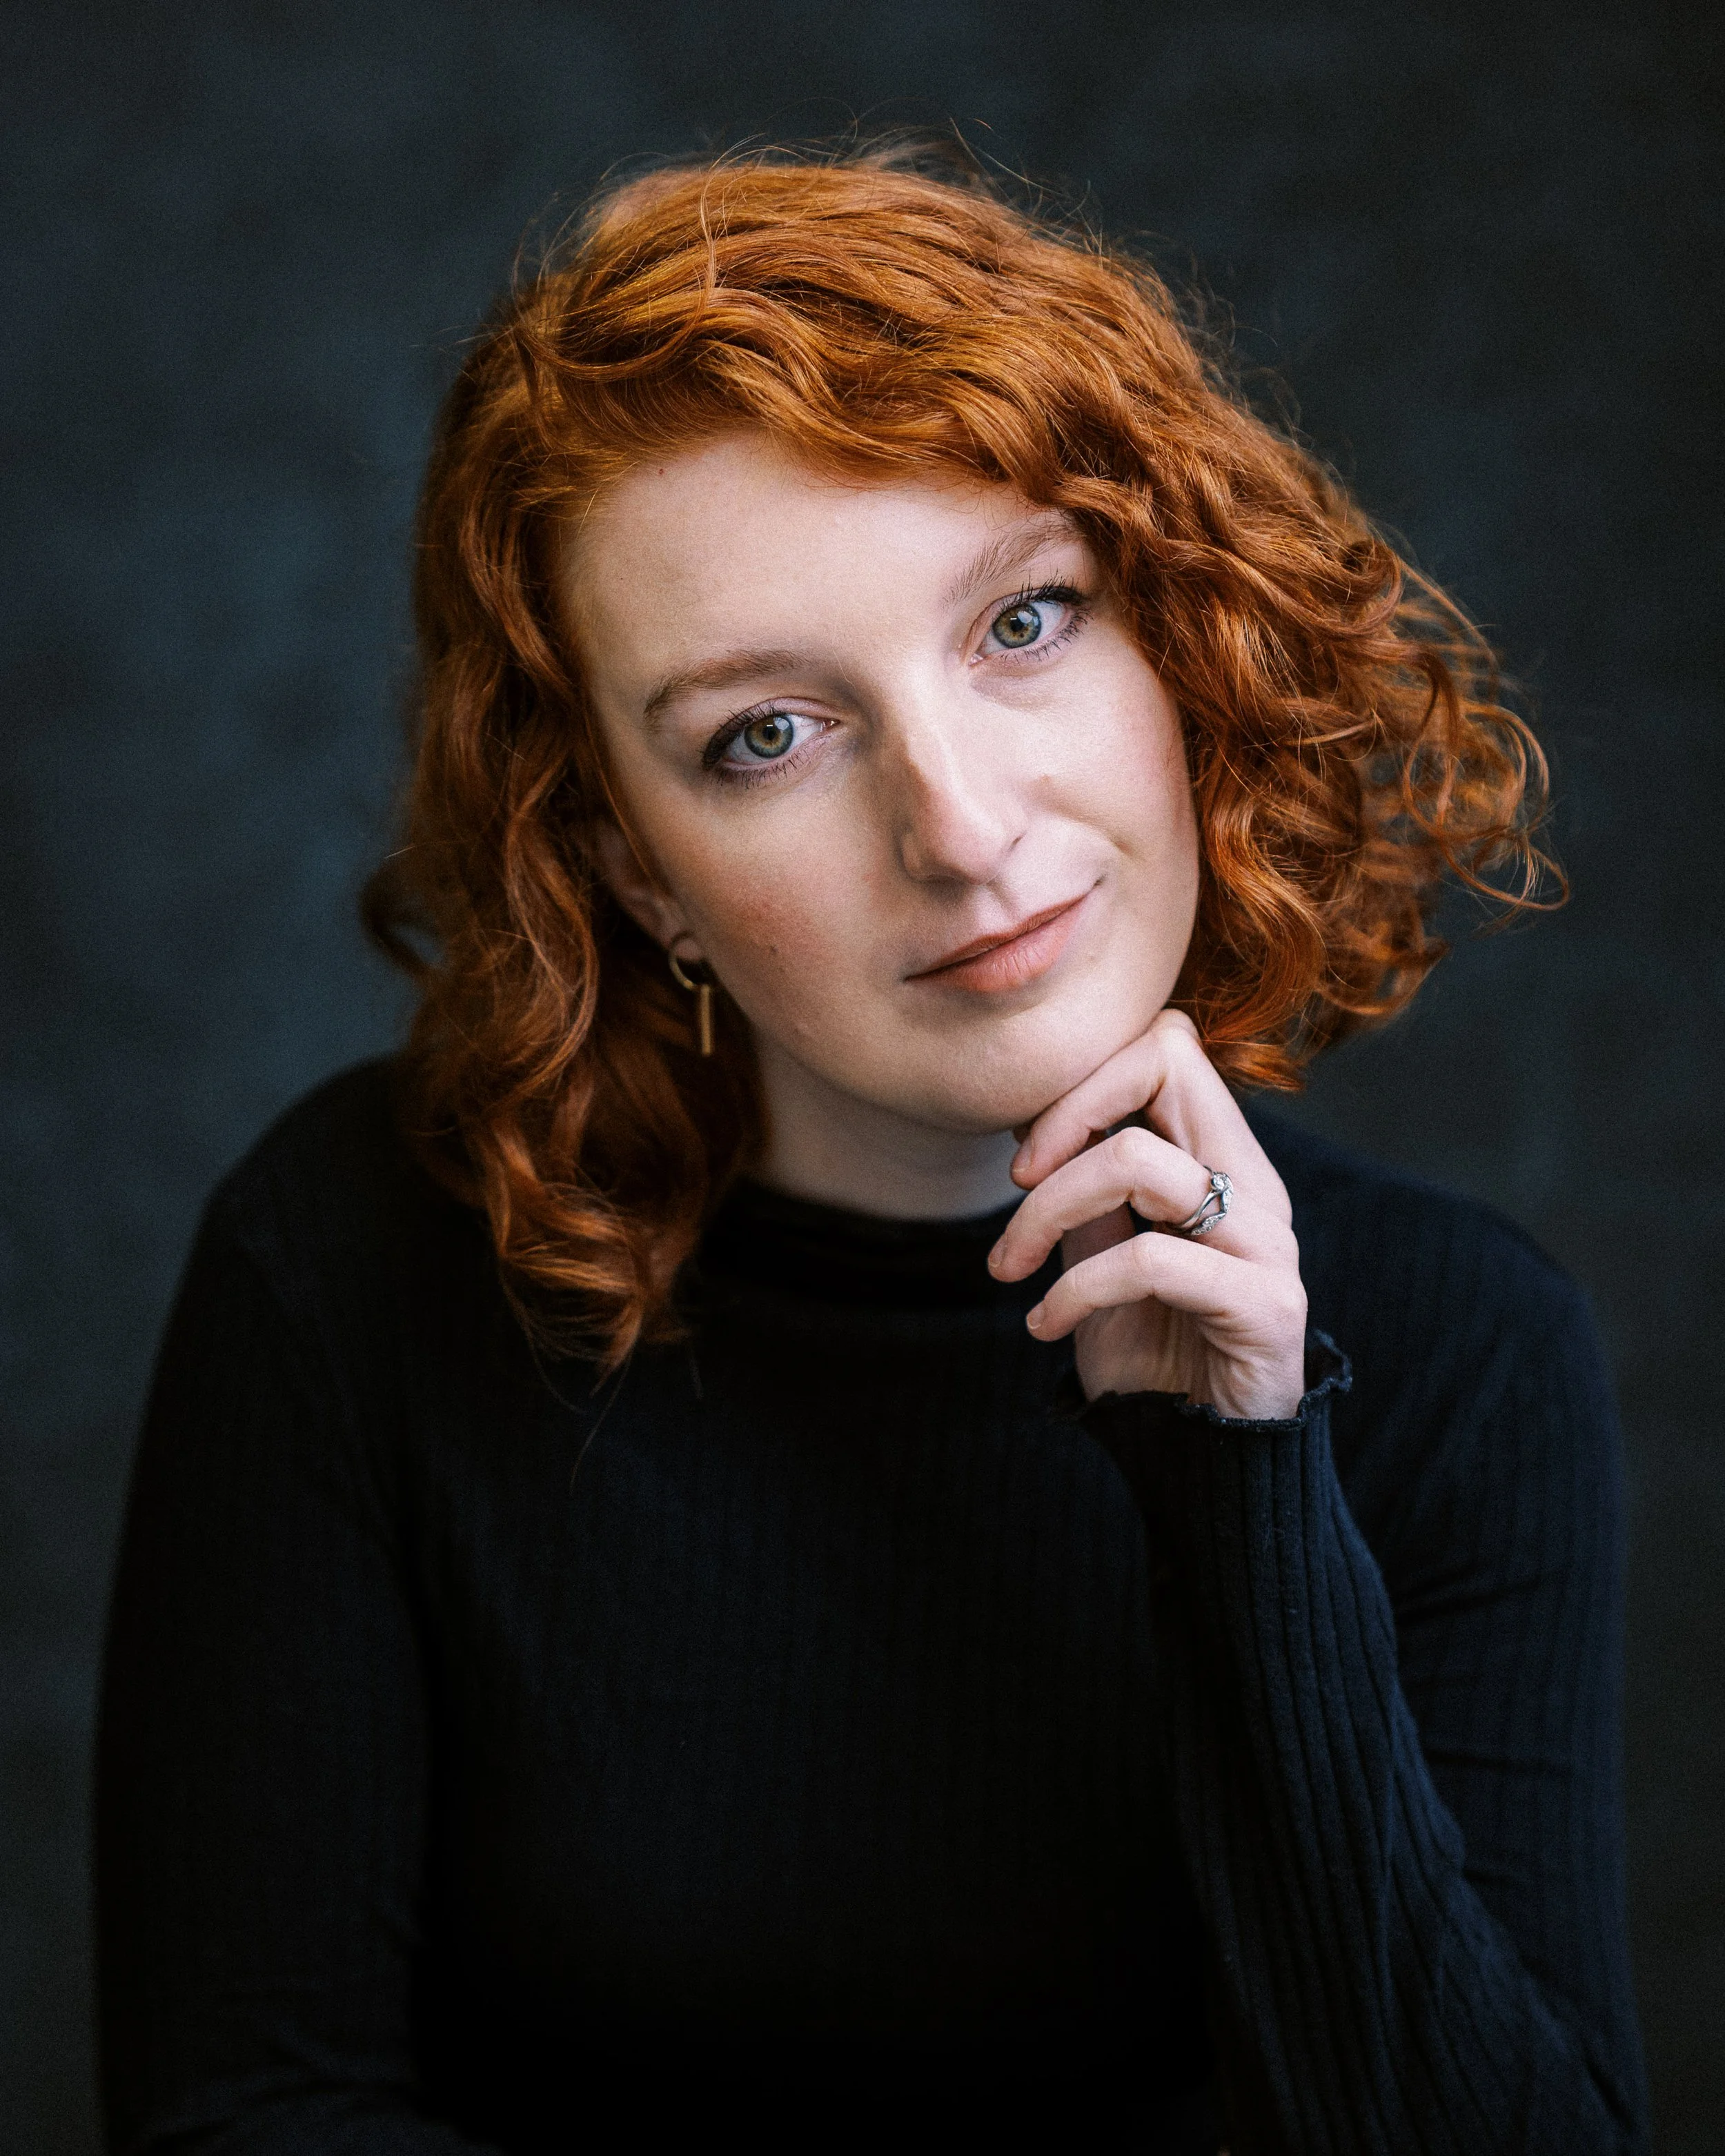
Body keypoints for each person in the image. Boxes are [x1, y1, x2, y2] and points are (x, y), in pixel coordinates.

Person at [95, 147, 1646, 2155]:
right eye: (766, 733)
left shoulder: (1462, 1348)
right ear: (636, 873)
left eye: (1025, 621)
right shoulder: (350, 1264)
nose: (965, 830)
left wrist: (1246, 1491)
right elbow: (244, 2114)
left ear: (1178, 644)